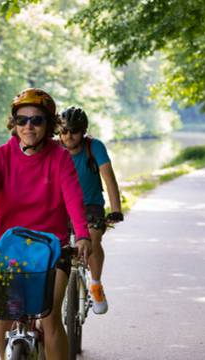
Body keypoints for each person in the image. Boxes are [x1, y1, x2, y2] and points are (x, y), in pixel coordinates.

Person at [0, 88, 92, 360]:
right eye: (22, 120)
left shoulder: (60, 157)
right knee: (0, 316)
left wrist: (82, 236)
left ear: (49, 125)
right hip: (11, 250)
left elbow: (74, 198)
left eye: (37, 120)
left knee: (51, 318)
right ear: (14, 124)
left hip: (54, 249)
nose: (28, 126)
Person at [58, 106, 123, 315]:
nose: (69, 136)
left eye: (74, 131)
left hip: (91, 206)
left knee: (92, 239)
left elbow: (109, 177)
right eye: (64, 131)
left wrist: (116, 209)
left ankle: (95, 285)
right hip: (61, 206)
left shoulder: (93, 147)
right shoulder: (54, 149)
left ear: (83, 130)